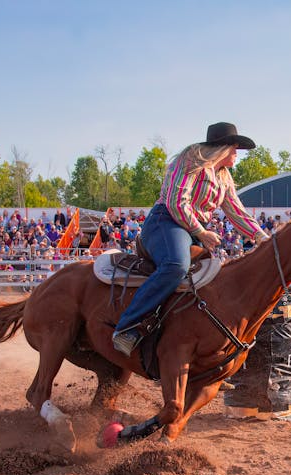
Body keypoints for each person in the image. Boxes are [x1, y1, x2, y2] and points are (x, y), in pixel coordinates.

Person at [112, 122, 269, 356]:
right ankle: (127, 328)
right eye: (234, 148)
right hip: (166, 222)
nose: (237, 154)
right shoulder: (190, 161)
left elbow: (236, 210)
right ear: (222, 148)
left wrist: (260, 236)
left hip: (191, 230)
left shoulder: (223, 177)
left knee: (211, 281)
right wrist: (201, 232)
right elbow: (176, 202)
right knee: (176, 266)